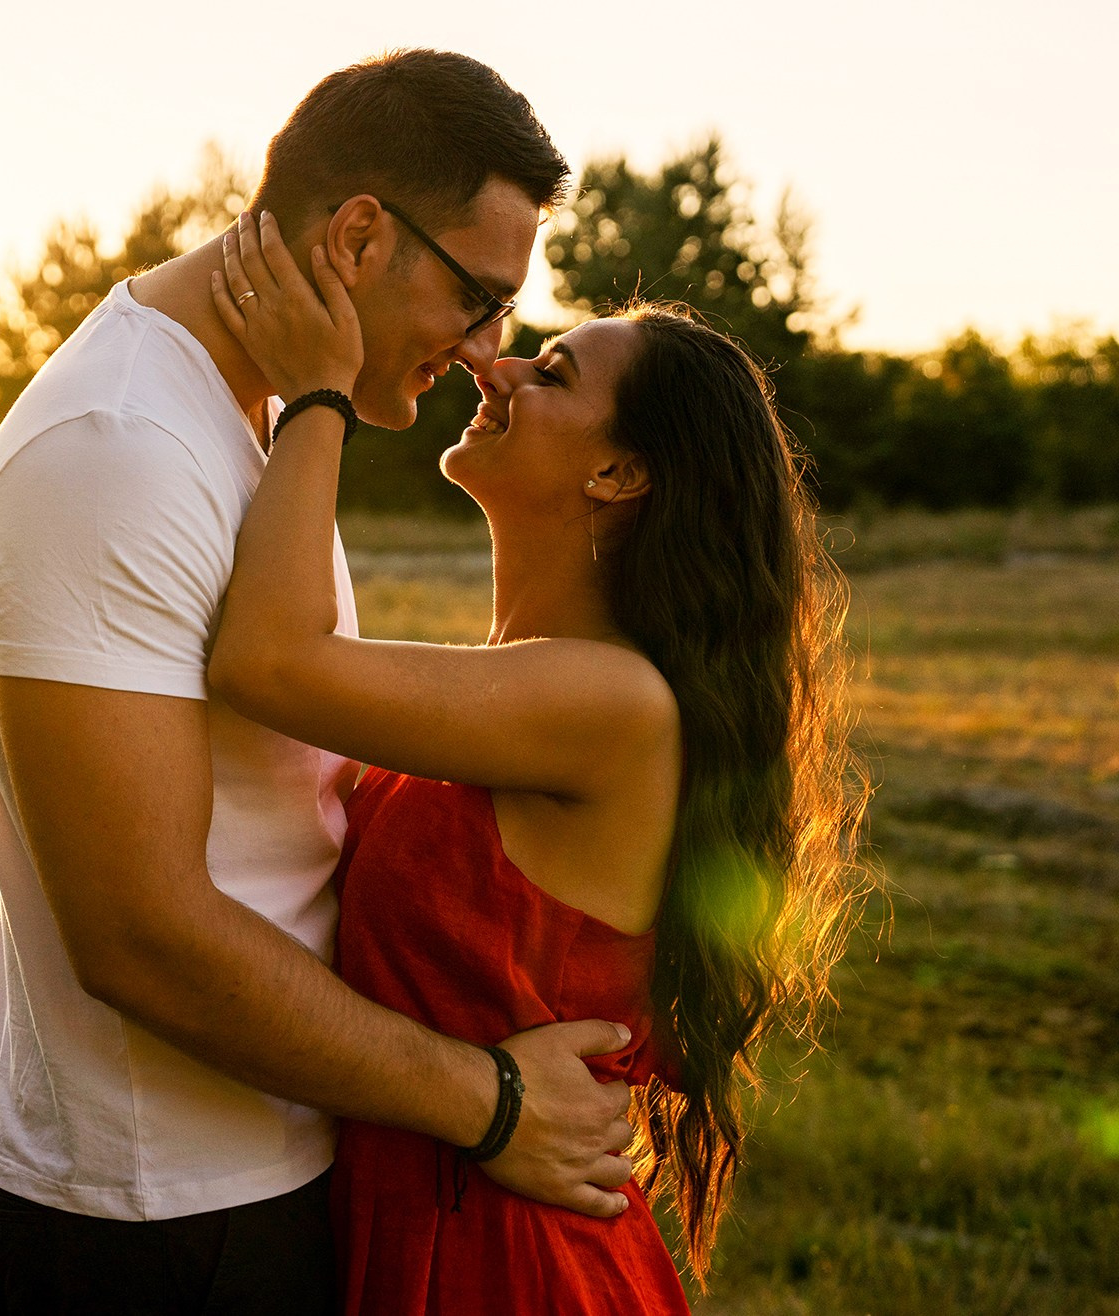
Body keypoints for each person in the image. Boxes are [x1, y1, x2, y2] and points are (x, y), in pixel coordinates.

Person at [0, 50, 643, 1315]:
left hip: (275, 1165)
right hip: (174, 1217)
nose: (486, 347)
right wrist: (487, 1099)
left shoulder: (246, 421)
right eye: (478, 298)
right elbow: (137, 932)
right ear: (363, 235)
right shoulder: (122, 450)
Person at [205, 210, 871, 1311]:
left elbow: (267, 662)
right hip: (431, 1221)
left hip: (505, 1266)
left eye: (551, 370)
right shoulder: (526, 680)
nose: (498, 363)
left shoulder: (603, 699)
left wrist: (314, 391)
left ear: (615, 470)